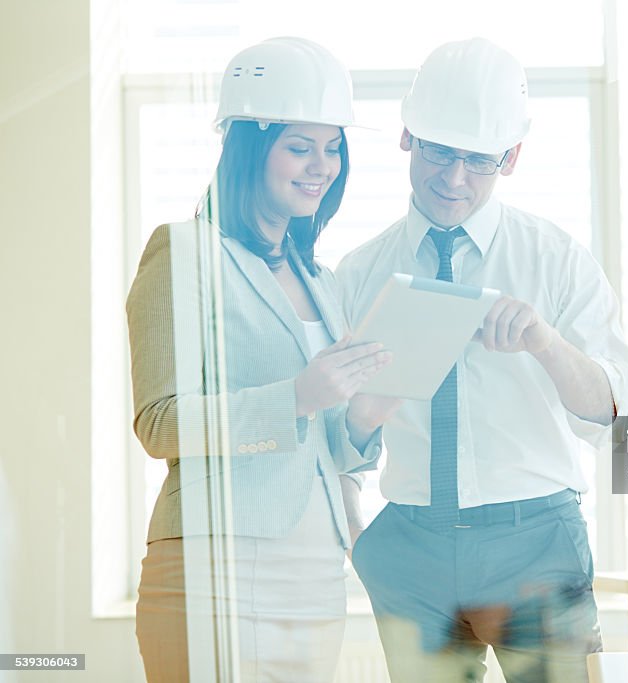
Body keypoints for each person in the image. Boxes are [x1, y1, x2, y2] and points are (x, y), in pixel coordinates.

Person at [336, 38, 628, 683]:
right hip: (410, 544)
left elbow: (619, 415)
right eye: (439, 153)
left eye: (477, 161)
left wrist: (547, 343)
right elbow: (337, 439)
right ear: (405, 138)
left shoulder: (555, 259)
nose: (454, 180)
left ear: (511, 158)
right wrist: (363, 542)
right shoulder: (358, 275)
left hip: (534, 538)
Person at [127, 37, 389, 682]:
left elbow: (331, 447)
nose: (321, 166)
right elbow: (159, 424)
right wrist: (296, 397)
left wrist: (361, 420)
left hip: (315, 576)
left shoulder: (319, 277)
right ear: (248, 150)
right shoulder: (183, 251)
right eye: (300, 147)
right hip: (213, 570)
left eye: (333, 148)